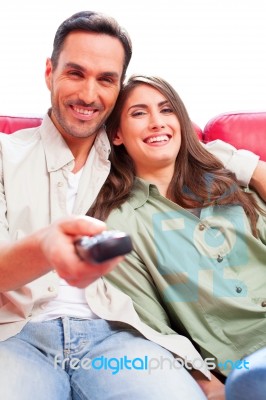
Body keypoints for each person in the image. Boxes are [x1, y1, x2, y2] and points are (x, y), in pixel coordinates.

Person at [0, 10, 265, 400]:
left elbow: (185, 147)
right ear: (48, 72)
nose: (89, 95)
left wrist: (251, 166)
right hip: (17, 334)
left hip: (117, 335)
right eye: (75, 73)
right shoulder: (7, 155)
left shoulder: (127, 154)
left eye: (105, 80)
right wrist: (46, 247)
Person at [87, 74, 266, 398]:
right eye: (139, 113)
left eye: (167, 110)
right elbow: (150, 324)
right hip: (247, 363)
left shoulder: (235, 187)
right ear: (116, 134)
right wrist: (205, 382)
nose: (157, 122)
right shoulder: (119, 225)